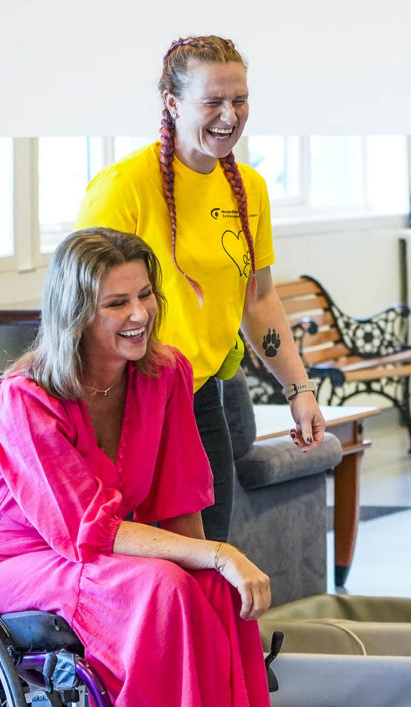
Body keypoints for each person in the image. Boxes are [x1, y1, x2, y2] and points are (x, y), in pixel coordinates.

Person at [0, 228, 280, 707]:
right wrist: (215, 554)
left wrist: (213, 564)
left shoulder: (165, 376)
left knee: (212, 592)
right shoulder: (25, 399)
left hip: (100, 557)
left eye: (145, 296)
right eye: (115, 304)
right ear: (76, 312)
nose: (138, 316)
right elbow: (87, 531)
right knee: (163, 587)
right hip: (14, 564)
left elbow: (181, 498)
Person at [76, 35, 325, 543]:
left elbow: (259, 299)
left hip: (200, 396)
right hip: (128, 402)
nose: (229, 116)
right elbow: (79, 307)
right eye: (212, 102)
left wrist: (298, 388)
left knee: (212, 551)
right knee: (151, 560)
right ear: (172, 102)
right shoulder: (124, 186)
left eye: (239, 100)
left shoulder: (248, 188)